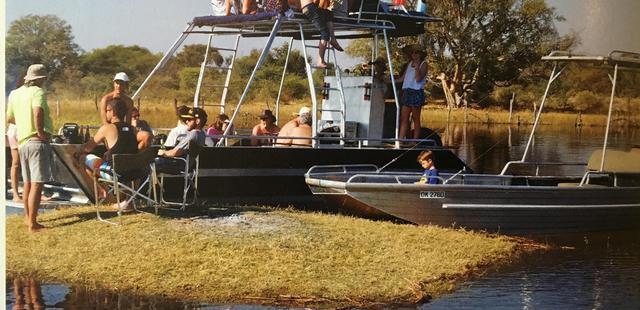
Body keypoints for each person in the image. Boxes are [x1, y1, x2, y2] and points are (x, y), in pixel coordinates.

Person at [6, 64, 53, 232]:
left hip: (23, 141)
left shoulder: (16, 93)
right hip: (36, 141)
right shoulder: (38, 92)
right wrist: (40, 132)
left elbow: (9, 117)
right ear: (40, 79)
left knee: (26, 183)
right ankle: (33, 224)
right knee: (36, 184)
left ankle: (28, 218)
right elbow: (38, 111)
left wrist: (24, 124)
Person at [77, 98, 143, 209]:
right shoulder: (133, 129)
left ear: (113, 112)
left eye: (107, 110)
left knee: (83, 158)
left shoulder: (107, 128)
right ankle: (125, 200)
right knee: (104, 162)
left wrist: (78, 149)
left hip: (117, 174)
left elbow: (88, 148)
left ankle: (105, 195)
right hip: (135, 173)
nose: (106, 113)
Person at [298, 0, 344, 68]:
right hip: (310, 7)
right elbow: (315, 1)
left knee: (328, 13)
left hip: (308, 7)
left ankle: (333, 39)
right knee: (325, 33)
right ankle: (320, 61)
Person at [396, 44, 428, 140]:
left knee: (415, 119)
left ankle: (414, 141)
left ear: (421, 54)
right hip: (407, 91)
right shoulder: (409, 63)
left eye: (416, 52)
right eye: (413, 52)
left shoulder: (424, 64)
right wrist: (388, 81)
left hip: (416, 92)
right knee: (404, 118)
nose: (414, 54)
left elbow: (418, 79)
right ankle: (400, 140)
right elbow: (402, 79)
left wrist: (417, 67)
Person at [7, 123, 22, 202]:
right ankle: (15, 194)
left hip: (28, 130)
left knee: (32, 163)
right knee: (16, 163)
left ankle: (36, 193)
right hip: (16, 130)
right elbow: (9, 118)